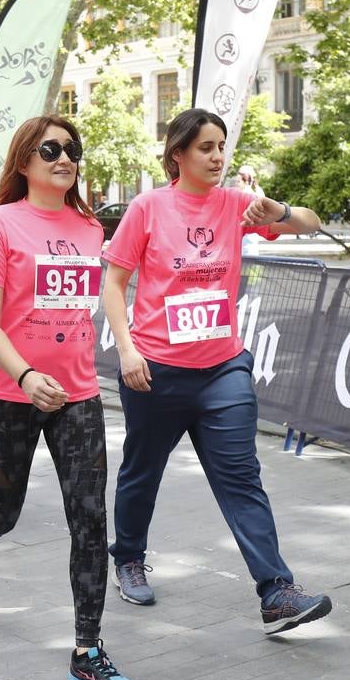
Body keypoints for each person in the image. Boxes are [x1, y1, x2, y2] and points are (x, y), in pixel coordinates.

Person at [101, 107, 332, 635]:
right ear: (178, 153)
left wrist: (281, 210)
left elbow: (310, 223)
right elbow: (114, 285)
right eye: (205, 147)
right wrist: (128, 350)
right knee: (142, 473)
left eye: (222, 146)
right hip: (155, 371)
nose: (217, 156)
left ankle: (276, 592)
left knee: (241, 478)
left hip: (223, 368)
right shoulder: (148, 207)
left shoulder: (237, 205)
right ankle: (128, 557)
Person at [0, 115, 136, 680]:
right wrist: (24, 375)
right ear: (24, 160)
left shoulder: (87, 227)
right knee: (3, 510)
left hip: (77, 397)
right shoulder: (0, 224)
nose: (64, 157)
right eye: (50, 149)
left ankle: (87, 650)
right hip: (9, 396)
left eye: (72, 149)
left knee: (90, 518)